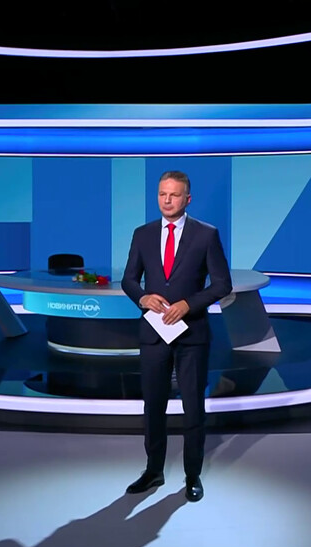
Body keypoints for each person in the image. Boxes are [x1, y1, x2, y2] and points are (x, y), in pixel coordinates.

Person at [120, 170, 233, 502]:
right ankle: (153, 471)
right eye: (162, 194)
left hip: (191, 335)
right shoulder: (142, 234)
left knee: (193, 407)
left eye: (173, 195)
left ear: (187, 199)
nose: (166, 200)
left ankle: (192, 475)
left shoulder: (206, 235)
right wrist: (142, 297)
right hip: (154, 333)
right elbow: (129, 280)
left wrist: (188, 304)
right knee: (153, 405)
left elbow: (222, 284)